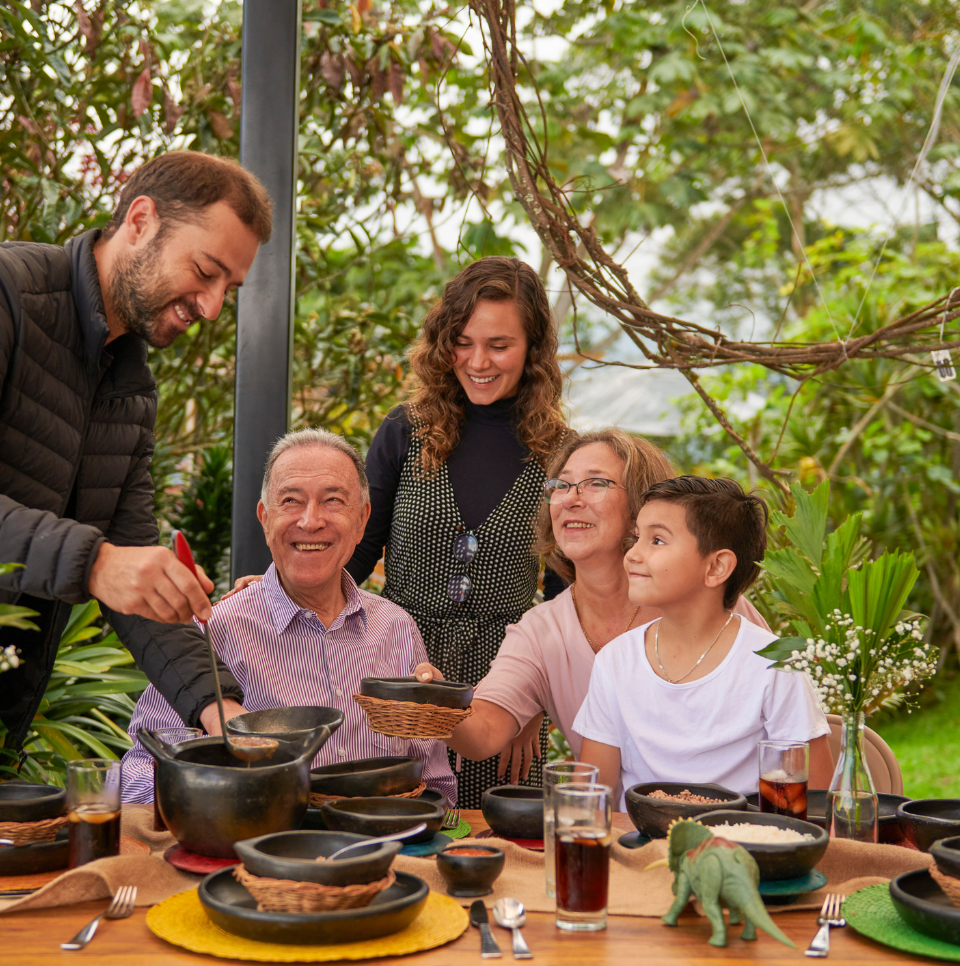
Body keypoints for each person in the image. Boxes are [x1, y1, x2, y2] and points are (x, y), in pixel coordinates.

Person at [0, 150, 271, 810]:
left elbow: (132, 567)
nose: (209, 308)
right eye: (205, 272)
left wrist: (217, 706)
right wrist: (95, 564)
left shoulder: (130, 386)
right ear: (141, 220)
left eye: (227, 291)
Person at [121, 429, 456, 804]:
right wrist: (222, 787)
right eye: (291, 501)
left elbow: (436, 781)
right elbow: (135, 775)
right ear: (265, 519)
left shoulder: (396, 628)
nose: (311, 521)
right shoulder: (214, 631)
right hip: (262, 850)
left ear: (362, 521)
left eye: (333, 500)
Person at [344, 257, 571, 807]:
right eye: (463, 342)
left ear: (534, 349)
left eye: (499, 344)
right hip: (398, 677)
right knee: (389, 822)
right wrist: (279, 597)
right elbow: (356, 550)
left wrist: (533, 699)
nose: (478, 361)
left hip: (503, 692)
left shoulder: (560, 452)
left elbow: (565, 599)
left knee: (490, 845)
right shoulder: (405, 430)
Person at [418, 429, 769, 774]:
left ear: (642, 507)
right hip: (609, 823)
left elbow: (786, 723)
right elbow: (485, 733)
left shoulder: (706, 604)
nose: (571, 498)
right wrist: (435, 702)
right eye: (561, 485)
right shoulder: (541, 631)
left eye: (596, 483)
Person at [573, 476, 833, 808]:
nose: (632, 555)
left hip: (741, 847)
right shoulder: (615, 661)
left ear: (716, 567)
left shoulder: (774, 665)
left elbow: (813, 802)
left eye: (657, 541)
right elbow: (591, 798)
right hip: (638, 849)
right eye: (636, 537)